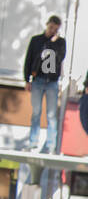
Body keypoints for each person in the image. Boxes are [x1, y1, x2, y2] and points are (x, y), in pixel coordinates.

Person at [24, 15, 64, 153]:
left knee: (52, 114)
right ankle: (33, 142)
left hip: (51, 81)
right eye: (51, 27)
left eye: (55, 29)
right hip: (38, 79)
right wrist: (27, 79)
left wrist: (53, 42)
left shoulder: (60, 43)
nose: (52, 31)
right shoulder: (36, 40)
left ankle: (51, 145)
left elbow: (60, 58)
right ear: (47, 25)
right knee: (36, 112)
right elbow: (29, 59)